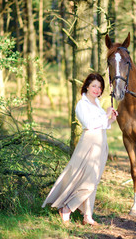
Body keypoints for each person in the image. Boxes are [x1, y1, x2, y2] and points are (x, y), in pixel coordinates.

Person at [41, 73, 118, 226]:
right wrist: (106, 115)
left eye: (100, 87)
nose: (97, 89)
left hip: (101, 144)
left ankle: (87, 215)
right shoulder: (82, 104)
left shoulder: (96, 103)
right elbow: (89, 124)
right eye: (94, 85)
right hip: (89, 143)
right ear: (87, 86)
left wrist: (111, 119)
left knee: (94, 181)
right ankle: (67, 208)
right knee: (87, 180)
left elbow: (101, 124)